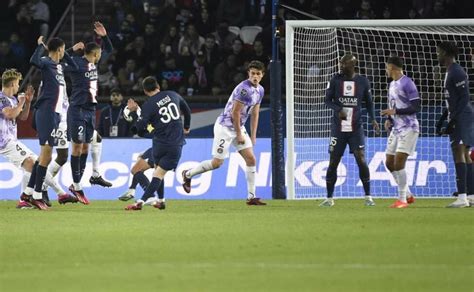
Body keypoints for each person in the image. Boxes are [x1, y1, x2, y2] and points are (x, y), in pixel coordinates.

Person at [181, 60, 266, 205]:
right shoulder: (243, 89)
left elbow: (255, 114)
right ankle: (188, 174)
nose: (255, 77)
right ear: (248, 74)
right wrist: (239, 134)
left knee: (251, 159)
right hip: (225, 127)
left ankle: (251, 197)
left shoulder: (260, 90)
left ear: (262, 75)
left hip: (239, 127)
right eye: (253, 74)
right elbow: (235, 113)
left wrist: (253, 136)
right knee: (217, 163)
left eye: (258, 74)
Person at [0, 69, 77, 209]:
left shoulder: (12, 99)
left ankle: (25, 200)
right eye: (17, 83)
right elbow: (10, 114)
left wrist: (27, 103)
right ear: (12, 84)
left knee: (34, 166)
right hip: (4, 142)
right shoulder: (2, 99)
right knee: (35, 163)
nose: (18, 87)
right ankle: (61, 194)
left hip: (11, 140)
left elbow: (22, 117)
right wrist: (21, 102)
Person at [320, 53, 380, 207]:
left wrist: (373, 119)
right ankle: (329, 198)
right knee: (333, 162)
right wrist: (338, 109)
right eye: (340, 63)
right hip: (338, 129)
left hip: (356, 128)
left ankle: (368, 197)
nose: (340, 66)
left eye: (343, 63)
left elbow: (369, 103)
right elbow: (327, 100)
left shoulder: (362, 81)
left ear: (352, 64)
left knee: (361, 159)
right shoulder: (335, 80)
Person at [26, 36, 78, 210]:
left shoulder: (59, 66)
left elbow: (75, 66)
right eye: (63, 49)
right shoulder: (47, 63)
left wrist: (68, 51)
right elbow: (33, 60)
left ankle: (29, 193)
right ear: (59, 50)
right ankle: (37, 195)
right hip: (46, 112)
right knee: (46, 156)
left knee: (45, 157)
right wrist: (41, 46)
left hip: (55, 115)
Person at [64, 22, 114, 204]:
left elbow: (110, 49)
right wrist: (71, 49)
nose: (102, 56)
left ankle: (75, 184)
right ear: (94, 54)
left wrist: (104, 35)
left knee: (86, 147)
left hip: (91, 111)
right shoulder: (77, 64)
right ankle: (77, 186)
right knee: (76, 147)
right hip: (77, 110)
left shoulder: (94, 65)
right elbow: (56, 59)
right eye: (99, 54)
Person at [125, 76, 191, 210]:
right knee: (158, 173)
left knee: (157, 173)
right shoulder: (173, 94)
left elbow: (139, 128)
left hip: (159, 144)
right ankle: (160, 200)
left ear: (145, 91)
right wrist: (187, 127)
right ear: (158, 86)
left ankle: (142, 202)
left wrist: (133, 115)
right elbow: (187, 110)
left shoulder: (148, 106)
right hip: (176, 144)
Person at [436, 42, 474, 208]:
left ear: (445, 53)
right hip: (460, 116)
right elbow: (454, 99)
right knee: (465, 154)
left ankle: (462, 197)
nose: (437, 55)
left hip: (462, 117)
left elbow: (465, 97)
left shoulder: (457, 71)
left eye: (438, 52)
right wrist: (444, 117)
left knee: (459, 153)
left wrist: (453, 119)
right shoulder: (450, 71)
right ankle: (471, 195)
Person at [381, 56, 419, 208]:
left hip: (409, 128)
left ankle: (402, 199)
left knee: (398, 163)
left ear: (392, 68)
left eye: (387, 67)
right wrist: (390, 118)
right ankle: (408, 194)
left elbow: (416, 107)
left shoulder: (407, 83)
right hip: (396, 129)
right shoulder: (391, 84)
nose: (386, 70)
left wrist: (395, 111)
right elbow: (393, 104)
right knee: (389, 163)